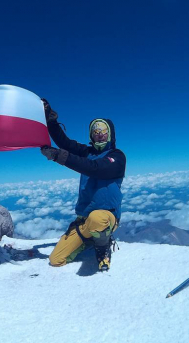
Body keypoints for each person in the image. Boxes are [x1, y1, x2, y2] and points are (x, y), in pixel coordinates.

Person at [39, 98, 126, 271]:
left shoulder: (117, 157)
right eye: (95, 131)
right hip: (84, 220)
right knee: (56, 259)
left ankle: (103, 246)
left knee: (97, 219)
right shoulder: (87, 153)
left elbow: (95, 168)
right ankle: (90, 239)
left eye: (103, 131)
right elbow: (64, 142)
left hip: (107, 217)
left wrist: (60, 157)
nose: (99, 134)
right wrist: (50, 120)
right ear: (91, 135)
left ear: (110, 134)